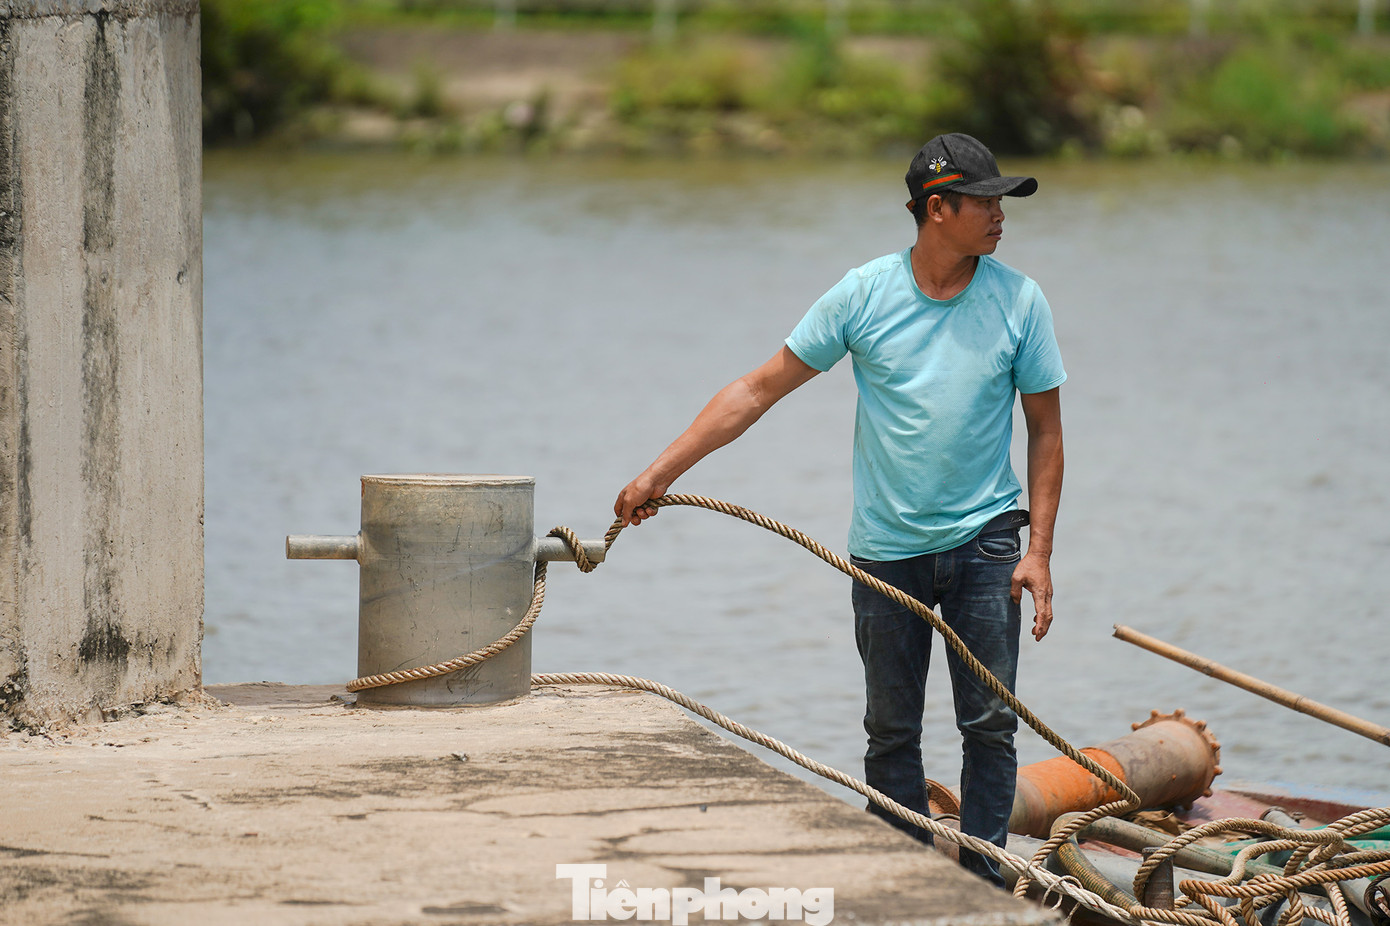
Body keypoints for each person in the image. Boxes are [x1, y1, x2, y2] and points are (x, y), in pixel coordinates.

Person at [613, 133, 1066, 887]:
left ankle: (987, 884)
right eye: (984, 202)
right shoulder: (864, 294)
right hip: (886, 549)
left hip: (989, 544)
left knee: (989, 726)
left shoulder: (1020, 299)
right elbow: (759, 388)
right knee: (890, 734)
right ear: (936, 209)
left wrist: (1040, 551)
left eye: (1002, 202)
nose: (999, 216)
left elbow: (1046, 429)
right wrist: (659, 472)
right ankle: (898, 878)